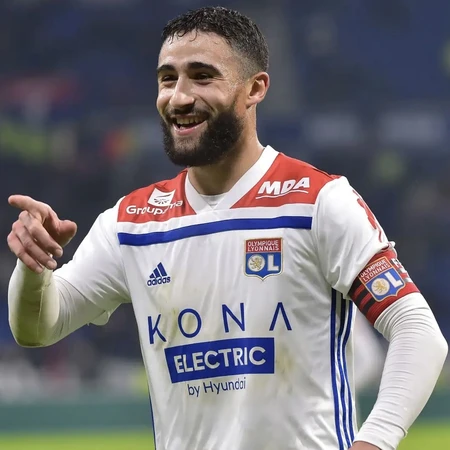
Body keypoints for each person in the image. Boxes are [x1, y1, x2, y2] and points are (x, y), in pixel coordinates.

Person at [6, 6, 447, 450]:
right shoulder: (131, 222)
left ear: (255, 88)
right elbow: (38, 327)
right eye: (167, 79)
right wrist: (34, 267)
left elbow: (417, 330)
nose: (179, 97)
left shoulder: (318, 202)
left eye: (202, 77)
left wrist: (375, 441)